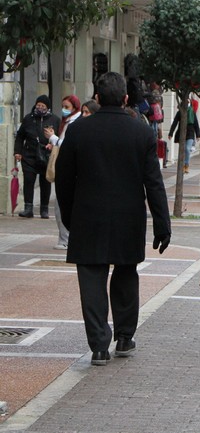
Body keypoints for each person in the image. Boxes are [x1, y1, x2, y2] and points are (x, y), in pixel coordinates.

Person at [55, 72, 171, 366]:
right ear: (126, 99)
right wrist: (162, 222)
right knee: (126, 274)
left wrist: (69, 216)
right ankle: (124, 336)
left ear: (96, 98)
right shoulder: (141, 132)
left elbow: (64, 180)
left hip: (87, 216)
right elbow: (153, 182)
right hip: (128, 216)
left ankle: (98, 345)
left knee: (91, 278)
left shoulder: (78, 131)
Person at [44, 95, 82, 249]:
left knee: (62, 204)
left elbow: (68, 146)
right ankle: (65, 238)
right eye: (63, 106)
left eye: (67, 107)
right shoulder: (66, 122)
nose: (64, 110)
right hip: (64, 167)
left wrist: (53, 138)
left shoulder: (74, 123)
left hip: (68, 171)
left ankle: (65, 239)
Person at [13, 95, 61, 218]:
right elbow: (20, 137)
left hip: (46, 155)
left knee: (45, 182)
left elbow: (59, 137)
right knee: (29, 180)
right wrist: (17, 152)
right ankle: (28, 207)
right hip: (29, 155)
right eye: (38, 105)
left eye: (43, 106)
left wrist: (52, 144)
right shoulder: (28, 119)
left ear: (48, 107)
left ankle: (44, 209)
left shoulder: (54, 120)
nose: (40, 108)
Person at [168, 102, 200, 174]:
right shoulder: (180, 112)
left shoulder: (192, 112)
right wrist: (171, 133)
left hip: (190, 133)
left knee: (187, 148)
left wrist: (198, 134)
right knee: (182, 150)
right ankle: (182, 166)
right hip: (181, 133)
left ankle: (186, 164)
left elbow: (196, 123)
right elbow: (175, 123)